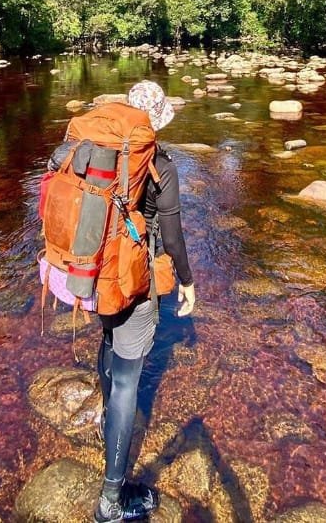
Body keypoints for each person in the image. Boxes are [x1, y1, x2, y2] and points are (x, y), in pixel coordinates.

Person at [94, 80, 196, 523]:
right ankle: (110, 501)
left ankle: (105, 421)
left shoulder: (103, 151)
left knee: (109, 344)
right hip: (134, 277)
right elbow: (171, 236)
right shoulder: (160, 164)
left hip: (100, 269)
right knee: (128, 381)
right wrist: (188, 282)